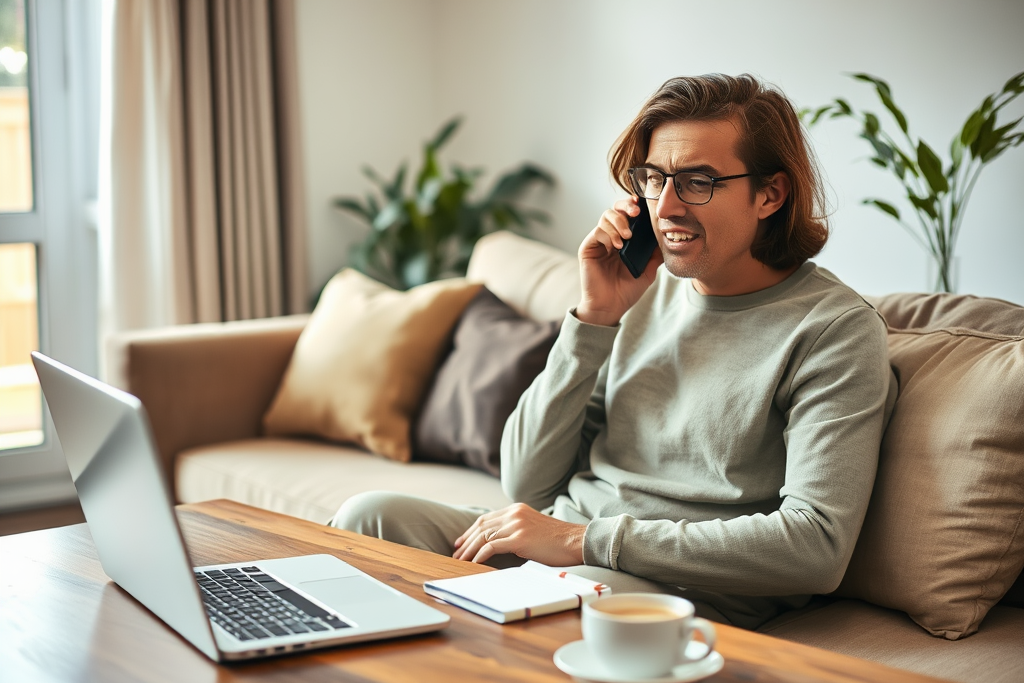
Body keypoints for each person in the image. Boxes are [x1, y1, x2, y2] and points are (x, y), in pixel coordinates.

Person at [331, 73, 897, 629]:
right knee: (367, 517)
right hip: (563, 548)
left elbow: (817, 545)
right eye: (654, 178)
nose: (667, 206)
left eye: (698, 181)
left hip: (667, 586)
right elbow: (524, 484)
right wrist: (593, 319)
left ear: (770, 194)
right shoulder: (643, 297)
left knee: (566, 603)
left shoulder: (835, 331)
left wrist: (584, 541)